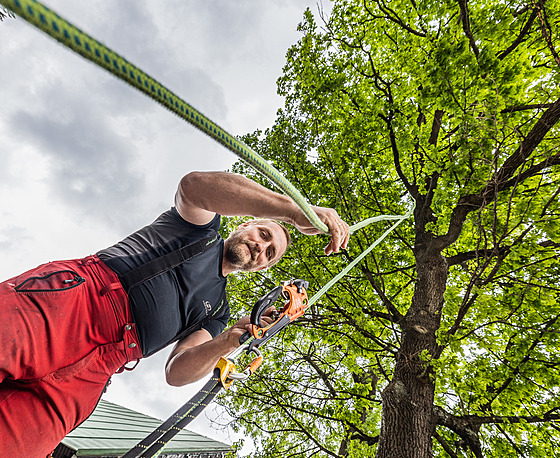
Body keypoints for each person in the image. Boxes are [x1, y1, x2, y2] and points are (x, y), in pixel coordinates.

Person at [0, 170, 350, 457]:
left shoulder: (219, 313)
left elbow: (177, 372)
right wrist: (290, 211)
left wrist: (230, 339)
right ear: (241, 225)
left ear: (260, 269)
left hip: (97, 370)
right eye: (262, 233)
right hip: (76, 303)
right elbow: (193, 187)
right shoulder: (200, 230)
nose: (261, 246)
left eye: (269, 253)